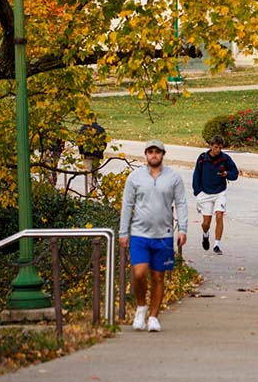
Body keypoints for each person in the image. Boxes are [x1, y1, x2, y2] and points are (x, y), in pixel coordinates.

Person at [119, 139, 188, 332]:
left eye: (157, 152)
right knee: (139, 273)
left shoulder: (173, 177)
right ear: (146, 155)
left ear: (163, 154)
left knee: (158, 276)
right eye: (150, 152)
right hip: (140, 234)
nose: (154, 155)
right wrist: (123, 232)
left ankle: (154, 317)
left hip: (163, 235)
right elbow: (127, 205)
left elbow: (181, 203)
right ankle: (141, 306)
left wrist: (183, 229)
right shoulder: (135, 177)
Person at [192, 134, 239, 255]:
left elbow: (235, 173)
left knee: (219, 216)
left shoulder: (225, 158)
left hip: (220, 192)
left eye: (220, 148)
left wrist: (227, 174)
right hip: (205, 193)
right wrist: (197, 191)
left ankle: (217, 245)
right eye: (216, 147)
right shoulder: (202, 158)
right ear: (211, 146)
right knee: (206, 223)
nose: (218, 150)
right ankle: (205, 234)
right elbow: (196, 175)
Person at [78, 121, 108, 194]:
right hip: (97, 154)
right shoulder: (101, 129)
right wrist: (101, 151)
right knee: (95, 170)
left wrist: (81, 151)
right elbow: (104, 142)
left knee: (88, 170)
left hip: (87, 153)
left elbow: (80, 142)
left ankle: (91, 185)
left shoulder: (83, 129)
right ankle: (94, 183)